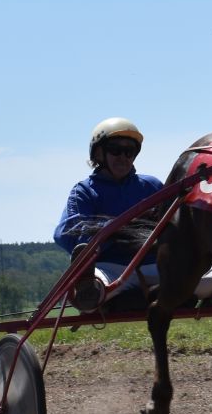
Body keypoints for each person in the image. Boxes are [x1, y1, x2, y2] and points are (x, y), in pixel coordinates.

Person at [54, 118, 164, 311]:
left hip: (154, 265)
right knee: (92, 292)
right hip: (110, 268)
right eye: (115, 149)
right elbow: (67, 234)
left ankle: (141, 297)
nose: (123, 156)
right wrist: (119, 232)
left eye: (129, 151)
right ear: (99, 153)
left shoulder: (152, 186)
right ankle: (91, 291)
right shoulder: (84, 191)